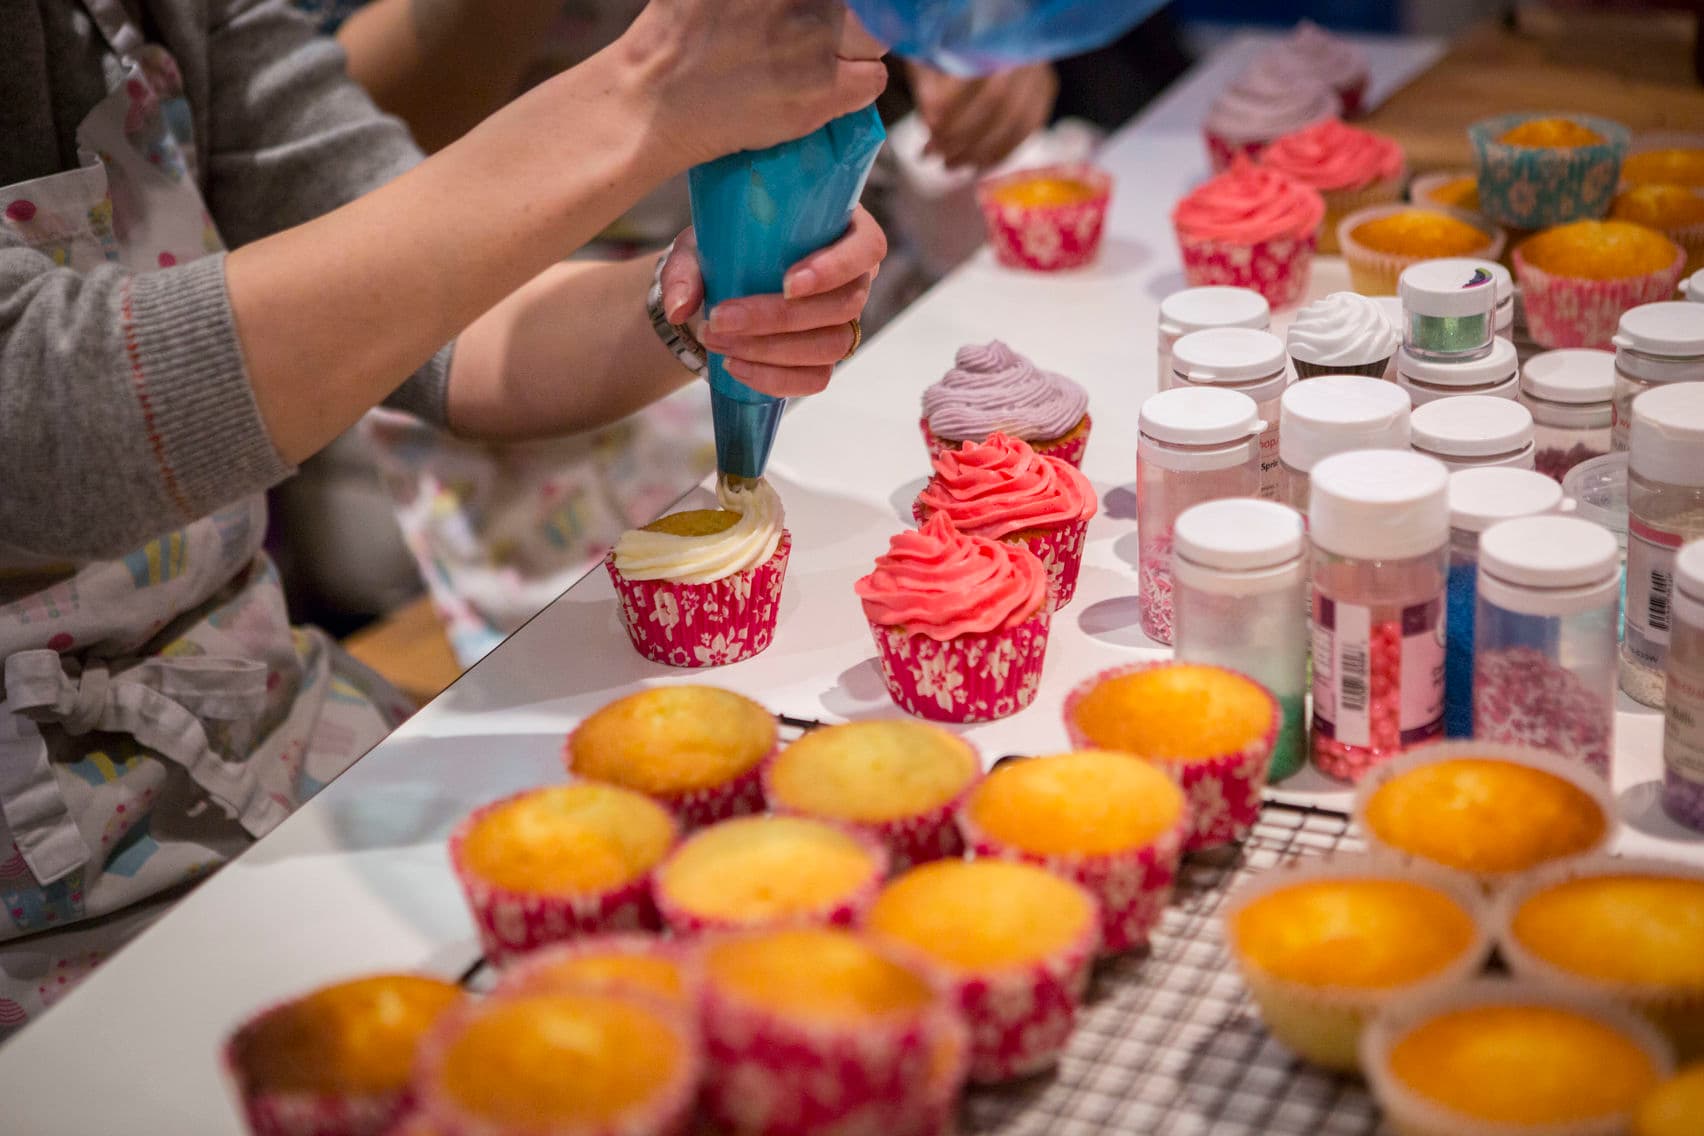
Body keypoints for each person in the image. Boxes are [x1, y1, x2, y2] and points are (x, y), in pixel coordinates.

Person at [0, 0, 886, 1035]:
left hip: (278, 731)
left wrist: (704, 301)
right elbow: (63, 420)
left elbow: (420, 296)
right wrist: (644, 88)